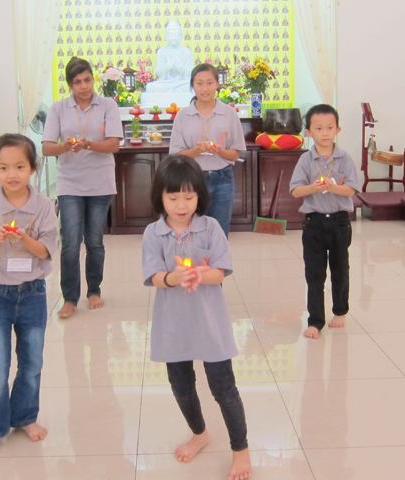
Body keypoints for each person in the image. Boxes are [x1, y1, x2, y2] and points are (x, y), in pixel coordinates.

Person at [142, 155, 252, 480]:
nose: (181, 205)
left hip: (209, 323)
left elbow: (221, 272)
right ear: (160, 197)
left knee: (224, 389)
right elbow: (154, 277)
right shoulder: (153, 233)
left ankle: (241, 449)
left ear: (199, 196)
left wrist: (200, 275)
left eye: (189, 197)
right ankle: (200, 433)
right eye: (173, 197)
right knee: (181, 386)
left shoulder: (211, 227)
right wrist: (173, 278)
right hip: (172, 325)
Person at [0, 134, 59, 455]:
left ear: (33, 167)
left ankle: (24, 417)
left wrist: (24, 238)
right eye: (3, 167)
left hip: (33, 293)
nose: (12, 174)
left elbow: (45, 251)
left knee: (32, 360)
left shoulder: (43, 205)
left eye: (20, 166)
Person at [42, 57, 122, 319]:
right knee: (70, 243)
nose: (84, 86)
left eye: (87, 80)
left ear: (93, 79)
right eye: (77, 82)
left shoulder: (107, 105)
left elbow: (113, 145)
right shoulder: (58, 108)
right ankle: (70, 298)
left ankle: (94, 291)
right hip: (70, 183)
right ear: (69, 84)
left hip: (100, 183)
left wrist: (88, 145)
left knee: (95, 242)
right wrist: (64, 147)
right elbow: (46, 148)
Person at [289, 104, 361, 339]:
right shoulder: (305, 160)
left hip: (340, 222)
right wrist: (313, 187)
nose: (325, 133)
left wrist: (332, 187)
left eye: (330, 127)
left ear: (338, 130)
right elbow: (295, 191)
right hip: (314, 223)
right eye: (318, 128)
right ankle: (315, 321)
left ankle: (340, 312)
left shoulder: (344, 158)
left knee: (340, 270)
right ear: (308, 132)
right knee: (314, 274)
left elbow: (351, 190)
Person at [169, 63, 246, 238]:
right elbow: (176, 155)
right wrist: (196, 151)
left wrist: (219, 151)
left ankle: (217, 258)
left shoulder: (229, 114)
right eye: (200, 83)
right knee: (192, 232)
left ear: (217, 84)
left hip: (222, 177)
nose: (205, 89)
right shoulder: (183, 115)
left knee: (219, 233)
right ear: (192, 86)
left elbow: (235, 153)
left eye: (210, 83)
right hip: (191, 178)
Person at [145, 20, 194, 93]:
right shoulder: (161, 51)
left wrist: (182, 69)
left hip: (182, 82)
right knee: (150, 87)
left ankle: (176, 88)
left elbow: (191, 72)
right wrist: (167, 68)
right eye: (171, 35)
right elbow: (158, 71)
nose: (174, 37)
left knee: (191, 87)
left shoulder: (186, 51)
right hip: (166, 83)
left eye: (177, 34)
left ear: (181, 36)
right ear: (166, 37)